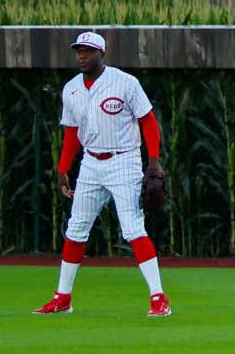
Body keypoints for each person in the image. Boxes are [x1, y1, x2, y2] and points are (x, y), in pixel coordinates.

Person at [34, 32, 171, 317]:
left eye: (88, 51)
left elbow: (149, 122)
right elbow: (72, 133)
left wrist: (154, 162)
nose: (81, 55)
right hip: (91, 164)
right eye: (78, 50)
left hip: (124, 161)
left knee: (133, 229)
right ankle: (63, 298)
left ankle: (159, 298)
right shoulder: (71, 89)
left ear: (101, 54)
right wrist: (62, 171)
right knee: (76, 228)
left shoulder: (125, 83)